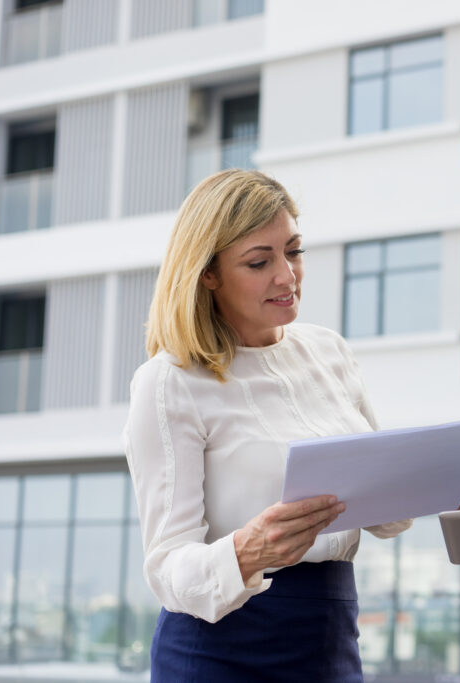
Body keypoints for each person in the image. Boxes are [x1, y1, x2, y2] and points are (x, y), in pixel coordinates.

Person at [123, 169, 410, 682]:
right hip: (219, 652)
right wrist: (245, 552)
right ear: (208, 274)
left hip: (329, 638)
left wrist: (437, 467)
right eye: (259, 262)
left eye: (294, 252)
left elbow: (386, 519)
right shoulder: (169, 382)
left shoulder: (329, 351)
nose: (287, 276)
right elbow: (166, 568)